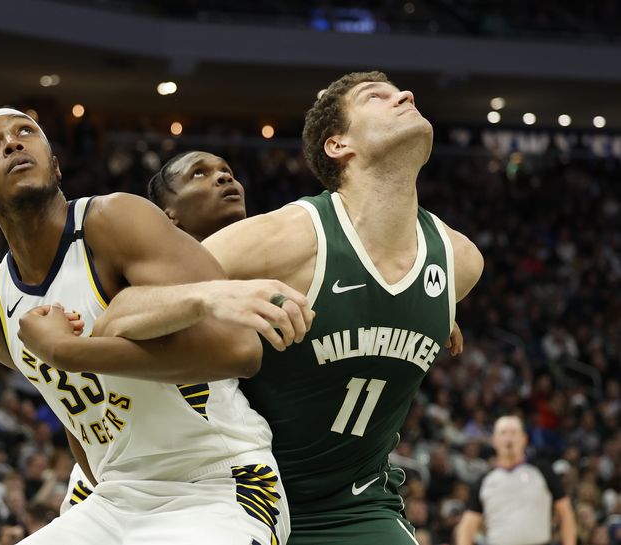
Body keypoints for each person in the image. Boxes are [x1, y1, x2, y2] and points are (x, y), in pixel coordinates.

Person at [0, 108, 314, 544]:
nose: (13, 143)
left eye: (25, 132)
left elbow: (239, 351)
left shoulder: (115, 219)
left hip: (217, 484)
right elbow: (73, 416)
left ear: (55, 165)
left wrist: (67, 352)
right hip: (115, 498)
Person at [197, 70, 484, 544]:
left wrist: (436, 315)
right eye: (377, 97)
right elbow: (143, 298)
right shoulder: (289, 236)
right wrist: (213, 296)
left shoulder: (461, 262)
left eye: (402, 92)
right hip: (241, 498)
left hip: (358, 505)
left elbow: (382, 301)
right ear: (338, 145)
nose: (406, 96)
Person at [455, 415, 576, 545]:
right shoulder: (485, 481)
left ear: (524, 438)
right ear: (494, 440)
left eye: (513, 432)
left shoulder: (542, 471)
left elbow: (565, 513)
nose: (508, 438)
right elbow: (466, 527)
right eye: (503, 433)